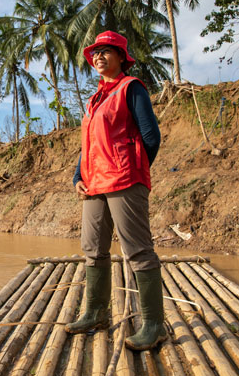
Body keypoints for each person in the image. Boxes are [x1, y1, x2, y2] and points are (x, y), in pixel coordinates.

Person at [64, 31, 166, 351]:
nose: (99, 57)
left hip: (124, 180)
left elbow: (151, 136)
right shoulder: (94, 99)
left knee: (137, 249)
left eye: (107, 51)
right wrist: (78, 176)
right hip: (94, 184)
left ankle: (153, 324)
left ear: (122, 57)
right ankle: (96, 313)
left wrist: (133, 169)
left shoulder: (130, 88)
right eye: (95, 53)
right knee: (93, 249)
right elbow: (89, 145)